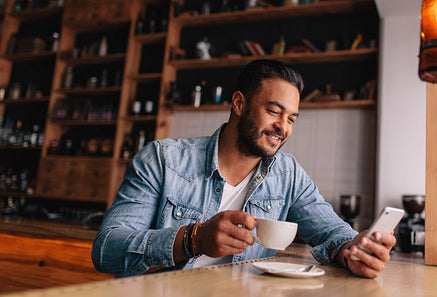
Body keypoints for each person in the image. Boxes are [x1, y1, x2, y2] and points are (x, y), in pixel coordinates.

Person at [92, 59, 396, 279]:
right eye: (274, 111)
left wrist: (355, 251)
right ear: (239, 103)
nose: (283, 127)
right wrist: (192, 240)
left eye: (291, 118)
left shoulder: (288, 174)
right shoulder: (162, 159)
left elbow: (332, 230)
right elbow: (106, 250)